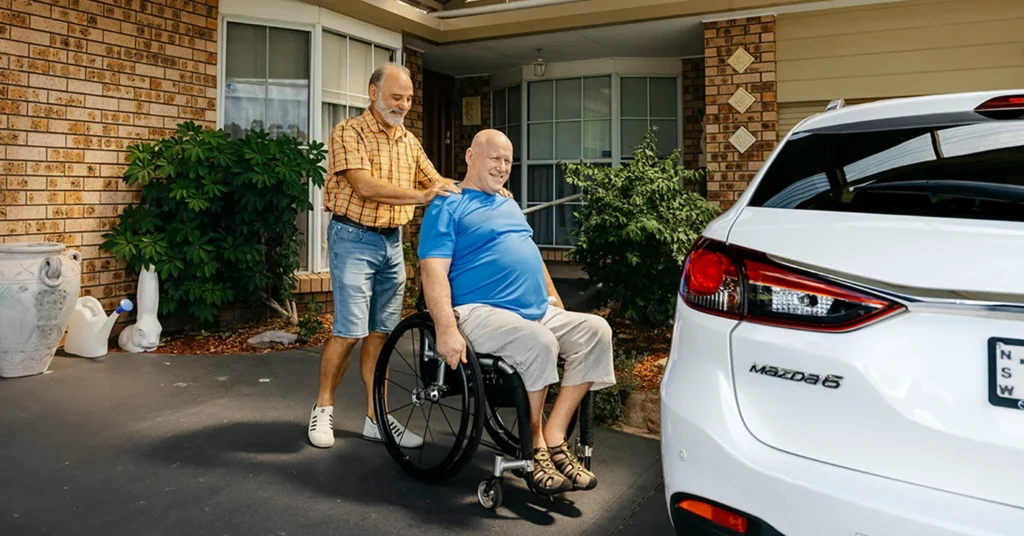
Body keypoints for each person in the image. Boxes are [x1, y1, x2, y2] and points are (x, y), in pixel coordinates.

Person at [308, 63, 510, 449]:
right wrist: (420, 196)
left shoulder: (408, 141)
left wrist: (490, 189)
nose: (403, 105)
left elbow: (439, 183)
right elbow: (364, 186)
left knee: (381, 334)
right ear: (373, 93)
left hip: (390, 242)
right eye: (396, 97)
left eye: (409, 99)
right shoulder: (348, 132)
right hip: (352, 237)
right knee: (349, 332)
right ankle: (324, 408)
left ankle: (375, 417)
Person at [417, 129, 616, 492]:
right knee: (539, 341)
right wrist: (445, 327)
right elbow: (432, 270)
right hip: (479, 312)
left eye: (508, 160)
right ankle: (535, 444)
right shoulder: (448, 203)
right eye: (495, 158)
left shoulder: (508, 202)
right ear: (470, 157)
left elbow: (532, 255)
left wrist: (554, 299)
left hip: (533, 311)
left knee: (596, 330)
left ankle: (555, 435)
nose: (503, 167)